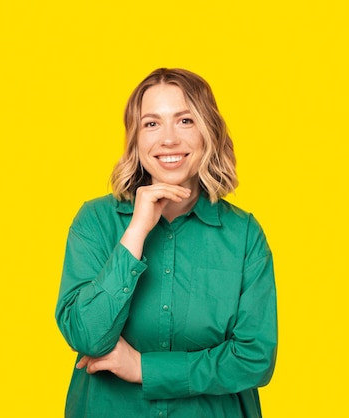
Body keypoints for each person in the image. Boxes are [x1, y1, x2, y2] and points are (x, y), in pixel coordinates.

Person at [55, 68, 277, 417]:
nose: (169, 139)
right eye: (152, 124)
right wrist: (137, 231)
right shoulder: (95, 222)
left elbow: (255, 358)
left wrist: (144, 368)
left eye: (185, 120)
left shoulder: (244, 234)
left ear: (209, 132)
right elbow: (87, 337)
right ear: (135, 138)